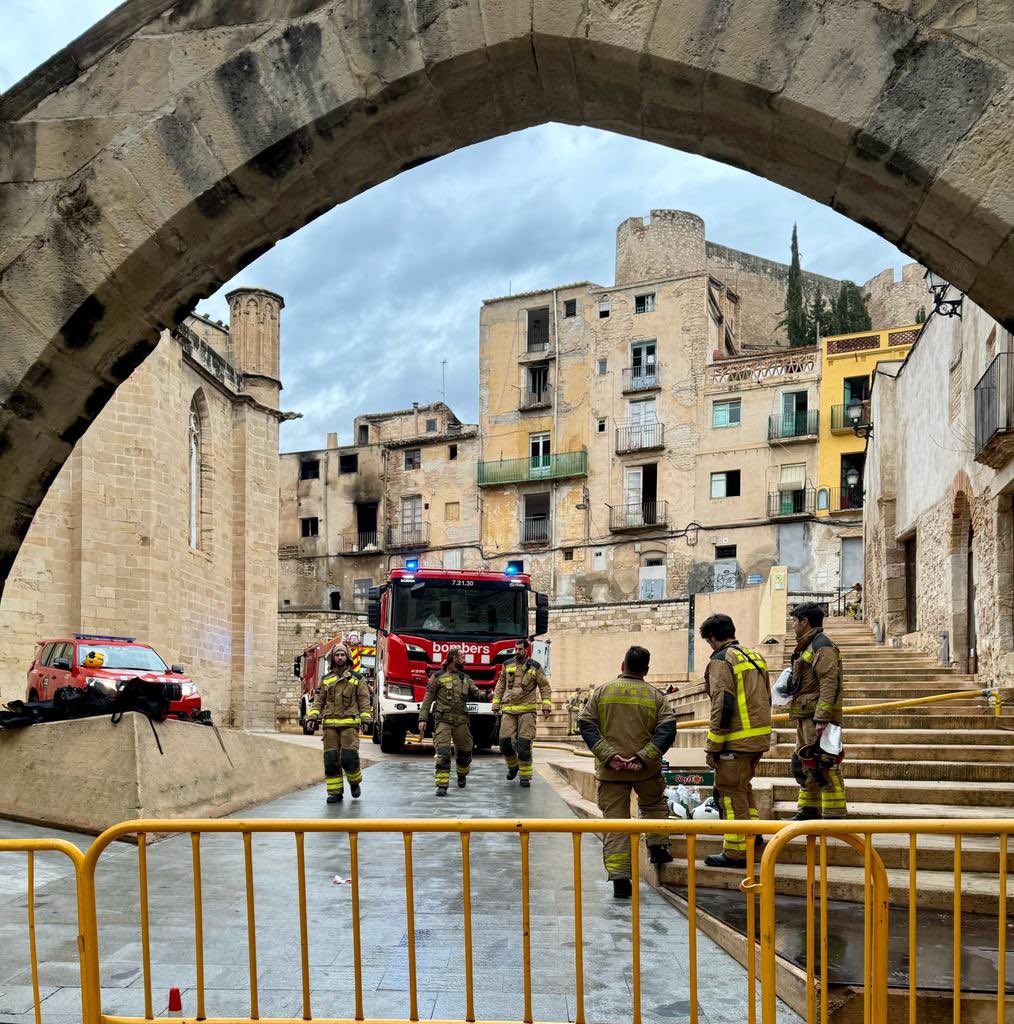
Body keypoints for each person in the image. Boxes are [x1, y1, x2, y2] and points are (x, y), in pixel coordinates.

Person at [578, 646, 677, 899]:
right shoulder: (656, 696)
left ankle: (621, 880)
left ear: (622, 665)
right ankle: (658, 850)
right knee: (654, 807)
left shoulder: (602, 692)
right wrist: (642, 759)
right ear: (646, 669)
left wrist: (610, 757)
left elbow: (586, 724)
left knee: (616, 823)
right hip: (646, 771)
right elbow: (667, 730)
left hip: (611, 773)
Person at [699, 613, 772, 869]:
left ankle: (736, 852)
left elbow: (722, 703)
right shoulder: (754, 656)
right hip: (757, 738)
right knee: (743, 789)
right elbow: (767, 695)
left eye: (708, 641)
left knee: (729, 794)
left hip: (735, 741)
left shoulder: (721, 660)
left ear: (711, 638)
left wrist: (713, 747)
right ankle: (753, 837)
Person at [788, 603, 847, 821]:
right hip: (807, 715)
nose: (792, 625)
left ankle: (834, 814)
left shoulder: (822, 646)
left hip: (818, 718)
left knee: (824, 764)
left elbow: (829, 683)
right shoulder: (809, 645)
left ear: (805, 622)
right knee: (806, 763)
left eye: (794, 621)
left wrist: (822, 718)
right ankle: (807, 811)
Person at [305, 643, 371, 803]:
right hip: (330, 727)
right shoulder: (326, 680)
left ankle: (354, 783)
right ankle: (335, 792)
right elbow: (319, 702)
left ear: (347, 657)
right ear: (333, 658)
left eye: (342, 655)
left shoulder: (357, 679)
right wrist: (312, 717)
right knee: (331, 760)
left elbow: (363, 700)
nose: (340, 658)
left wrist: (365, 719)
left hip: (349, 725)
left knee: (349, 758)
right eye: (337, 655)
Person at [418, 648, 483, 796]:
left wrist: (489, 695)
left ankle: (462, 774)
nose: (464, 659)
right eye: (462, 657)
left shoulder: (465, 678)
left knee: (465, 753)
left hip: (461, 722)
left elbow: (476, 694)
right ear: (454, 658)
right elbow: (428, 698)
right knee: (443, 753)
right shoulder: (438, 677)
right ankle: (442, 785)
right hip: (443, 721)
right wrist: (422, 719)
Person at [492, 639, 552, 787]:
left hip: (527, 710)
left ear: (527, 650)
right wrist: (495, 703)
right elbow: (501, 685)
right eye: (515, 649)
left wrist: (546, 705)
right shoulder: (507, 665)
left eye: (520, 649)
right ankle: (513, 767)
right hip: (509, 709)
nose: (517, 652)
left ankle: (525, 776)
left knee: (524, 745)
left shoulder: (535, 667)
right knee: (504, 742)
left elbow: (544, 687)